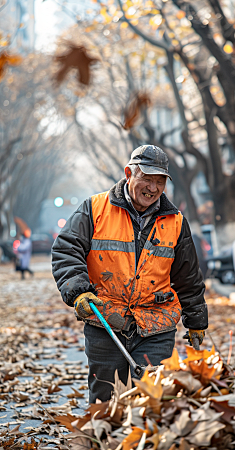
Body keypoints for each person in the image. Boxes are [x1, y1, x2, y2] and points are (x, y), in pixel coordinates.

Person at [52, 145, 208, 403]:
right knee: (105, 402)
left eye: (160, 182)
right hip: (105, 322)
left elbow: (188, 276)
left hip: (156, 326)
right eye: (147, 179)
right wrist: (79, 292)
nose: (153, 188)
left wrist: (197, 319)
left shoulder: (176, 222)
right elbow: (66, 250)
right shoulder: (94, 209)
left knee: (151, 401)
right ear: (128, 173)